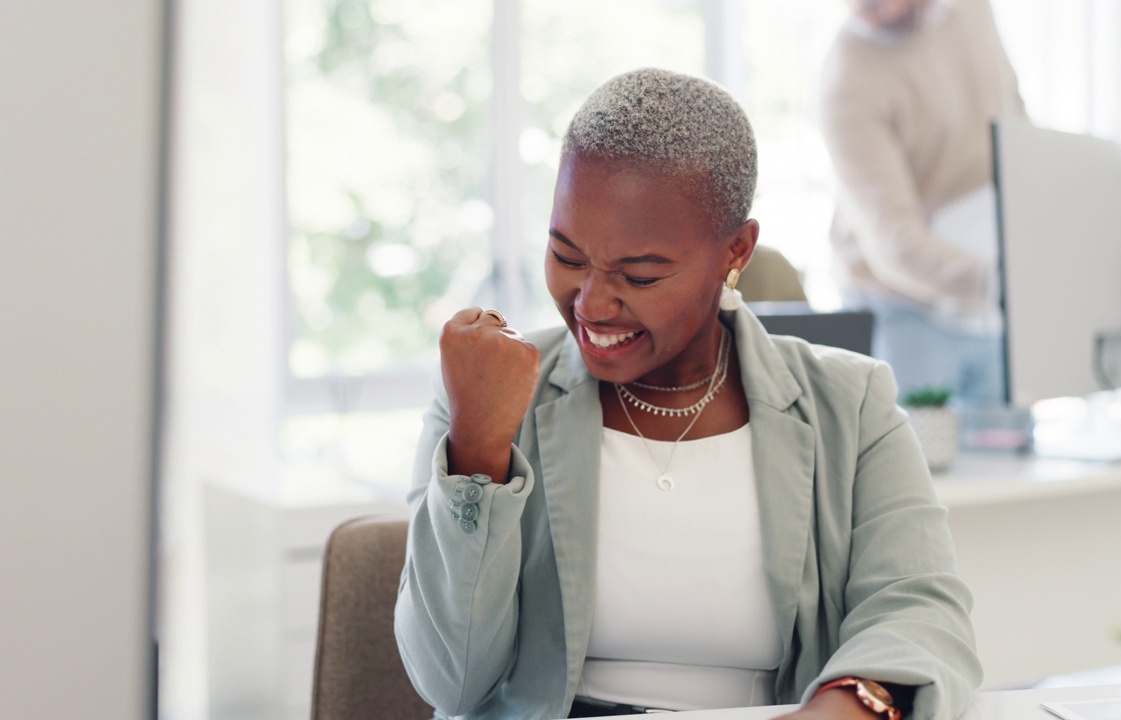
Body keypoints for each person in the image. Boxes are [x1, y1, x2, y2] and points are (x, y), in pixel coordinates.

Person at [395, 67, 981, 720]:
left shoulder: (851, 404)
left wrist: (851, 706)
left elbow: (919, 609)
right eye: (567, 256)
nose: (590, 303)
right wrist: (479, 448)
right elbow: (450, 680)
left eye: (640, 274)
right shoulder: (488, 398)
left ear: (736, 251)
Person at [819, 0, 1026, 405]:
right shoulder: (847, 75)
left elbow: (1014, 116)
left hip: (993, 297)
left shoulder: (970, 11)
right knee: (916, 463)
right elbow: (893, 241)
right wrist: (1000, 283)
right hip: (903, 307)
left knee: (1010, 455)